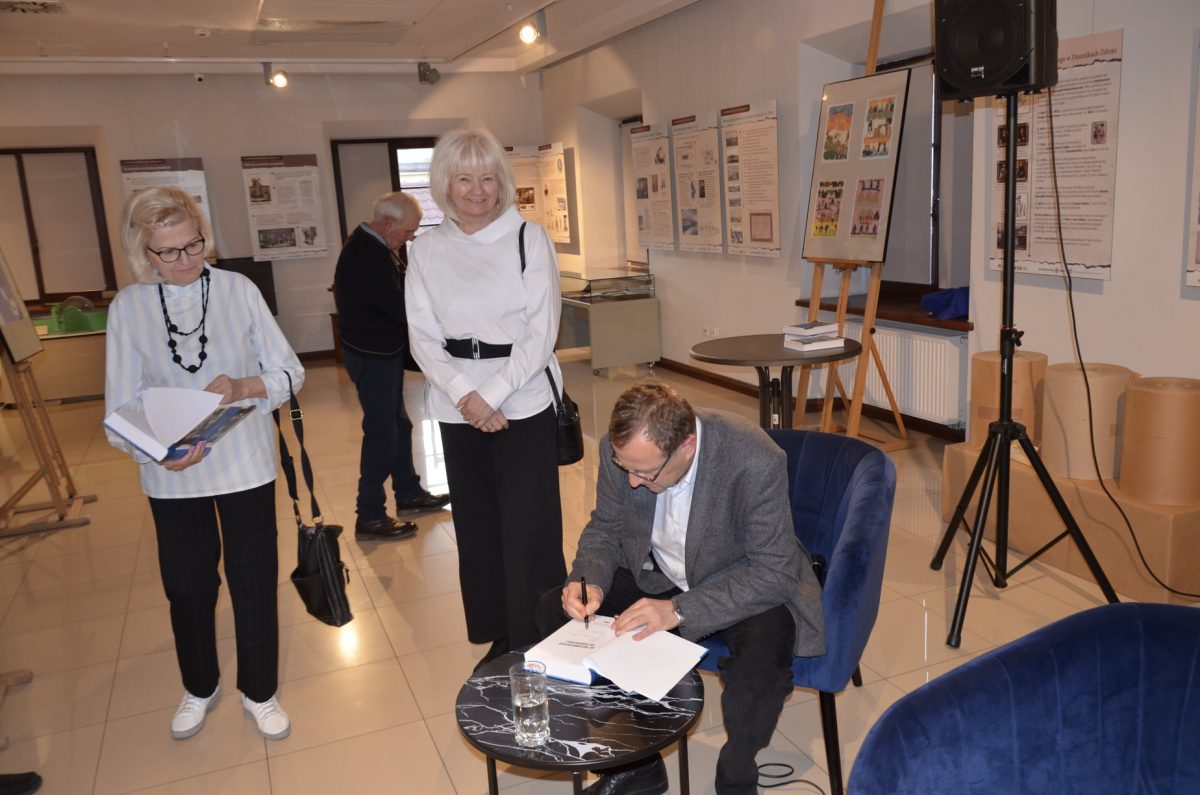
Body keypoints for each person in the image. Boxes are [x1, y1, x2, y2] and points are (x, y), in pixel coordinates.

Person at [535, 382, 825, 795]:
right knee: (554, 611)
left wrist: (677, 610)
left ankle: (736, 776)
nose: (632, 481)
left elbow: (773, 571)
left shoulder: (754, 458)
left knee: (758, 675)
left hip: (742, 580)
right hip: (661, 574)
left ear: (686, 447)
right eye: (624, 467)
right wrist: (590, 580)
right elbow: (606, 528)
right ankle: (638, 765)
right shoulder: (624, 451)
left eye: (644, 472)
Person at [104, 187, 304, 742]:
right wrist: (157, 451)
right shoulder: (129, 308)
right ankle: (199, 685)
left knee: (253, 580)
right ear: (143, 252)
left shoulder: (238, 290)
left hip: (245, 464)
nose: (185, 260)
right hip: (171, 475)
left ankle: (260, 691)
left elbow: (290, 372)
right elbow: (120, 407)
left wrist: (245, 386)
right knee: (189, 587)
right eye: (168, 252)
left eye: (193, 245)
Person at [406, 122, 567, 668]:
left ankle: (538, 635)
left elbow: (541, 332)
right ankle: (500, 637)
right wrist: (466, 396)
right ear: (444, 185)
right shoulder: (426, 250)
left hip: (524, 400)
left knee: (530, 527)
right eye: (463, 179)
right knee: (477, 529)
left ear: (501, 182)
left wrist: (493, 394)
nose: (476, 191)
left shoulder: (528, 239)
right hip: (458, 408)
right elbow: (422, 338)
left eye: (487, 178)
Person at [334, 191, 449, 541]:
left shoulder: (375, 246)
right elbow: (400, 308)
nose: (411, 237)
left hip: (381, 351)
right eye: (409, 230)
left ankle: (409, 493)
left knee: (399, 425)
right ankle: (369, 514)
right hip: (371, 355)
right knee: (382, 433)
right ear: (388, 223)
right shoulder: (364, 255)